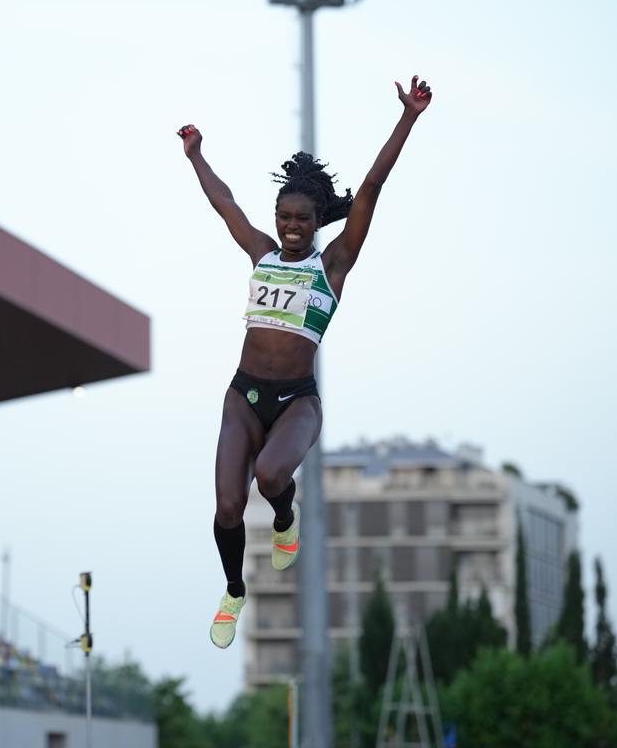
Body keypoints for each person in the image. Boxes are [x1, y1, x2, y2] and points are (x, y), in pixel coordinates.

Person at [178, 75, 433, 648]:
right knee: (226, 505)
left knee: (271, 476)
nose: (291, 228)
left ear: (318, 221)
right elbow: (225, 203)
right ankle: (233, 591)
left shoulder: (333, 266)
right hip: (242, 396)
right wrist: (197, 156)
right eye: (284, 217)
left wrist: (408, 119)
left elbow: (370, 187)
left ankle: (286, 520)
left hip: (297, 401)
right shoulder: (262, 251)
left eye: (301, 219)